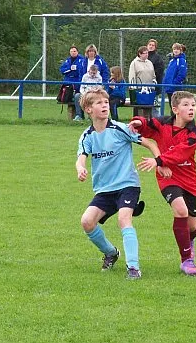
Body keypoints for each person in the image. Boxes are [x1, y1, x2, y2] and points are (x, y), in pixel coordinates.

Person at [75, 88, 162, 280]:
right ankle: (111, 253)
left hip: (127, 184)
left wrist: (158, 161)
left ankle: (133, 268)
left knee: (124, 219)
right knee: (87, 222)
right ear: (88, 109)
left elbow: (150, 143)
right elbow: (81, 157)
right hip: (105, 190)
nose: (105, 105)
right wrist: (80, 168)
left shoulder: (120, 129)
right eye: (99, 103)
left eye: (106, 102)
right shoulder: (87, 136)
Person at [130, 91, 196, 276]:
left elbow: (181, 152)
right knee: (180, 210)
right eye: (186, 105)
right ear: (175, 109)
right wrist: (138, 121)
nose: (191, 108)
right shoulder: (162, 123)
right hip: (167, 177)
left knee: (192, 226)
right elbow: (147, 126)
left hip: (188, 179)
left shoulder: (195, 133)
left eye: (193, 105)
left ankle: (188, 241)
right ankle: (187, 260)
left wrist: (159, 160)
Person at [60, 46, 86, 120]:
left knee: (78, 96)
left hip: (78, 81)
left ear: (77, 52)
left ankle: (81, 115)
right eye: (71, 51)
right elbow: (62, 70)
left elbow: (80, 70)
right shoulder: (67, 61)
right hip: (68, 81)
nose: (73, 53)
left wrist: (75, 69)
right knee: (68, 92)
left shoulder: (82, 60)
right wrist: (70, 69)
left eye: (74, 51)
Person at [163, 43, 188, 112]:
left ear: (181, 50)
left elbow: (182, 74)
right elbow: (168, 74)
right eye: (174, 49)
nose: (175, 51)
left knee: (176, 107)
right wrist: (165, 83)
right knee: (172, 107)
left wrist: (175, 83)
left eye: (177, 49)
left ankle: (178, 122)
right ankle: (173, 122)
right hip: (169, 87)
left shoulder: (181, 60)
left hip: (175, 87)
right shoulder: (172, 60)